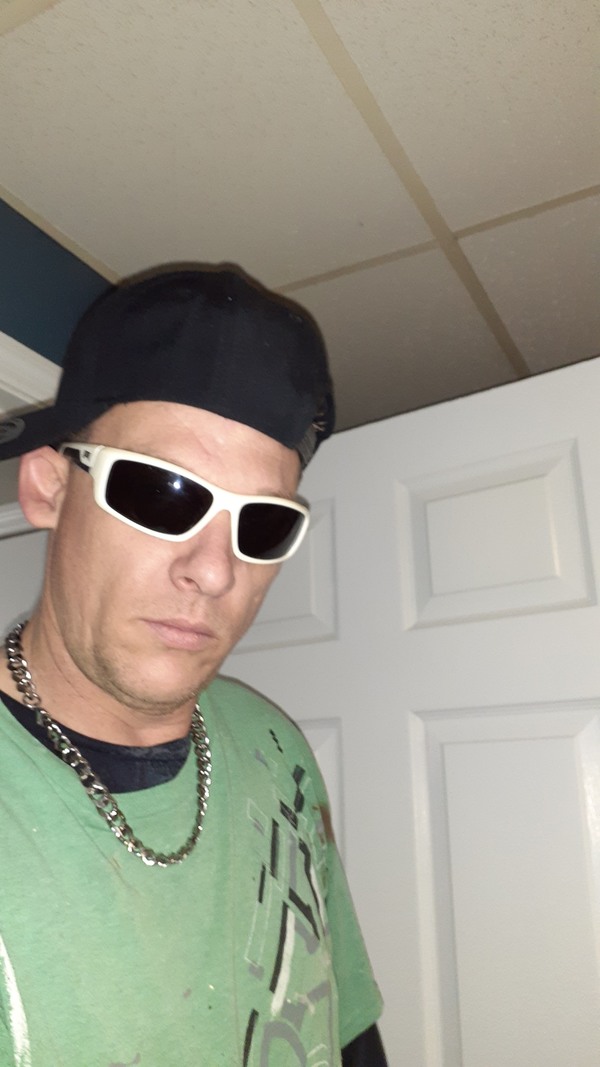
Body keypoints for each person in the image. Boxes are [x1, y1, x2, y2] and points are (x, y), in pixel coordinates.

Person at [0, 265, 387, 1066]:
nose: (214, 570)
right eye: (162, 493)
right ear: (47, 488)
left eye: (263, 524)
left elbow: (344, 1024)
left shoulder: (274, 744)